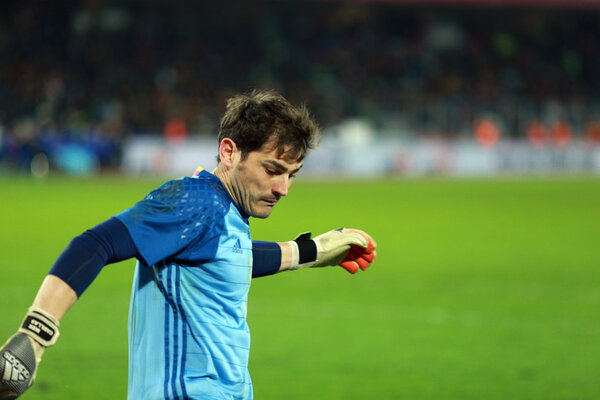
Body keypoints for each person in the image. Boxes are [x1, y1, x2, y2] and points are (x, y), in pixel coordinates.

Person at [0, 90, 377, 400]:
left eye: (292, 175)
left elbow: (231, 256)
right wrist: (35, 335)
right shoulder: (195, 202)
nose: (283, 189)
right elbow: (96, 243)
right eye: (272, 170)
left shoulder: (222, 212)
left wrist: (312, 252)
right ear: (229, 152)